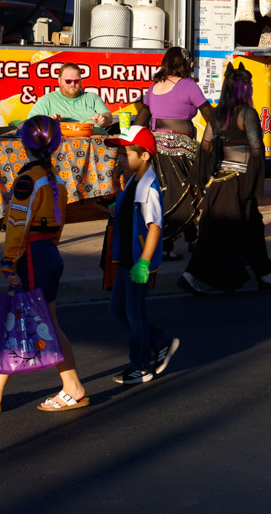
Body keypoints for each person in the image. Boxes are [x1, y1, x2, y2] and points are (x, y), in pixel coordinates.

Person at [0, 115, 88, 412]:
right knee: (26, 318)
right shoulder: (56, 179)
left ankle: (72, 387)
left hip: (32, 255)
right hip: (48, 252)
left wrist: (8, 261)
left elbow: (17, 223)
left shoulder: (28, 179)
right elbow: (59, 224)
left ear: (24, 143)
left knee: (43, 322)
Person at [178, 62, 271, 294]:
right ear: (244, 88)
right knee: (222, 233)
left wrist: (200, 180)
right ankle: (190, 275)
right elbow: (257, 150)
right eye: (250, 85)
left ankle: (263, 273)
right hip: (239, 181)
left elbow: (206, 146)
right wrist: (254, 185)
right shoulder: (247, 113)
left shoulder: (217, 114)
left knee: (248, 227)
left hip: (220, 183)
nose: (252, 88)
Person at [106, 126, 180, 384]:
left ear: (145, 155)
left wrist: (145, 262)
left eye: (127, 153)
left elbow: (155, 226)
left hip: (138, 261)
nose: (123, 158)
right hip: (127, 259)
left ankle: (140, 366)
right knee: (117, 308)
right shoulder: (133, 181)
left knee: (134, 314)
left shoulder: (148, 187)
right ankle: (161, 342)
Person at [133, 47, 212, 260]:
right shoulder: (188, 85)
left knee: (170, 193)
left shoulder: (154, 86)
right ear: (184, 63)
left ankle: (190, 238)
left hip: (157, 148)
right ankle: (171, 243)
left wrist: (133, 140)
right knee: (187, 191)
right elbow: (207, 114)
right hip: (181, 150)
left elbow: (142, 118)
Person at [28, 62, 113, 133]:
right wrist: (45, 120)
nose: (73, 84)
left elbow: (108, 116)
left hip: (98, 145)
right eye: (68, 81)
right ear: (59, 80)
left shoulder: (92, 97)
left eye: (76, 81)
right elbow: (31, 121)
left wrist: (103, 119)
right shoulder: (47, 100)